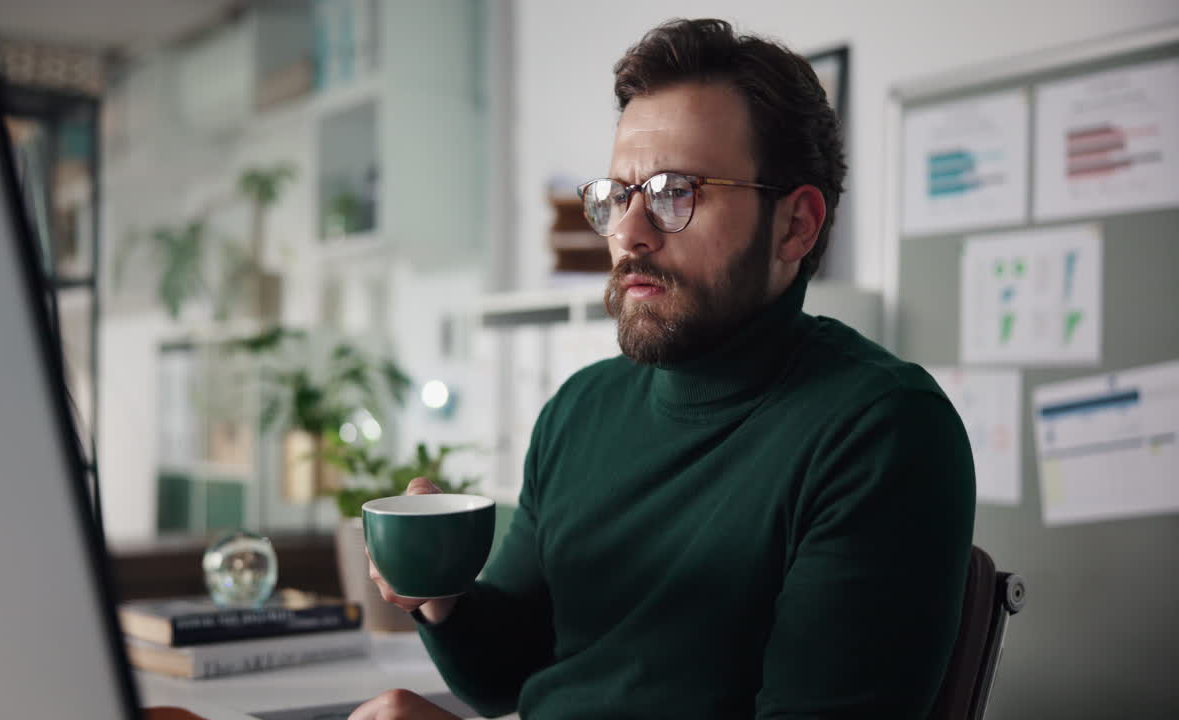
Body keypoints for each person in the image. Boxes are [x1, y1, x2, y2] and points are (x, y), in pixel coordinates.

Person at [348, 18, 975, 720]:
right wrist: (440, 593)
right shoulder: (581, 409)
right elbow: (508, 673)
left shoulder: (881, 430)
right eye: (618, 195)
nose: (629, 234)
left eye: (677, 192)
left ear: (796, 225)